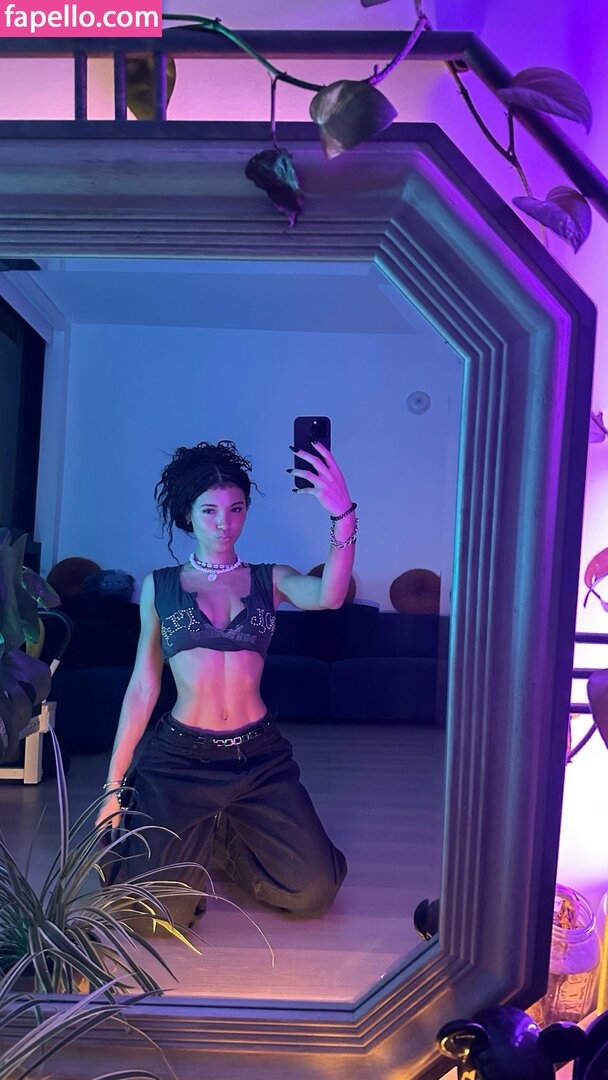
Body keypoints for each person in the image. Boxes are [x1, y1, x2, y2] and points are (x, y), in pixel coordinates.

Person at [97, 438, 357, 934]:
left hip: (258, 757)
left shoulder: (269, 578)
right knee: (156, 917)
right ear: (187, 515)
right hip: (180, 758)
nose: (224, 523)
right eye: (210, 510)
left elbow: (329, 595)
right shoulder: (160, 585)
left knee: (313, 892)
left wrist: (342, 515)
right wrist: (112, 788)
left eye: (236, 509)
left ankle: (223, 833)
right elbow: (143, 688)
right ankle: (188, 829)